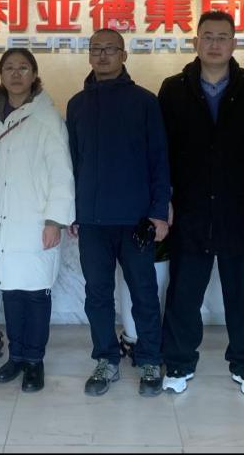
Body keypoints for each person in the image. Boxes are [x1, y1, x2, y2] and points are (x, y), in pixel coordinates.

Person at [158, 9, 244, 397]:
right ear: (195, 42)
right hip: (189, 210)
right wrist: (164, 200)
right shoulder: (174, 89)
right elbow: (160, 153)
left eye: (222, 37)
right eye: (207, 36)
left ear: (234, 43)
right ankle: (179, 362)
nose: (214, 44)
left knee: (243, 296)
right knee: (183, 294)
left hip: (240, 211)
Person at [66, 29, 171, 397]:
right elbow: (72, 163)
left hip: (136, 220)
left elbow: (160, 160)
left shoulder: (145, 102)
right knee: (97, 295)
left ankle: (150, 359)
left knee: (144, 293)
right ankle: (106, 360)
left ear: (124, 55)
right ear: (89, 55)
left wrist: (159, 212)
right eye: (96, 49)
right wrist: (72, 212)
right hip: (92, 221)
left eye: (110, 49)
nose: (103, 55)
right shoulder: (77, 104)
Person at [0, 48, 75, 393]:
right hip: (1, 221)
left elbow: (62, 173)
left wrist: (54, 220)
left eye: (23, 68)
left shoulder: (46, 117)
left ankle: (35, 361)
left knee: (35, 293)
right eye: (9, 68)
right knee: (10, 292)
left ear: (34, 75)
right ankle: (16, 356)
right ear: (0, 73)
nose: (16, 74)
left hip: (35, 221)